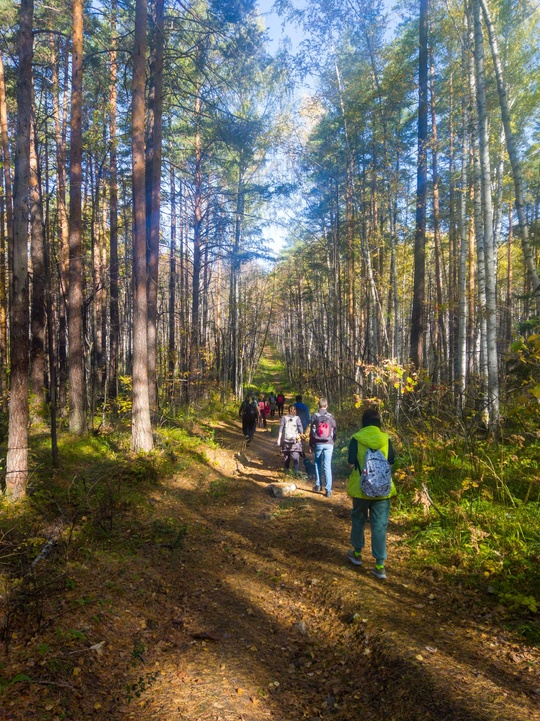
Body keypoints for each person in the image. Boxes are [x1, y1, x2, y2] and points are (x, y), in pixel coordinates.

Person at [346, 407, 396, 580]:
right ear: (378, 422)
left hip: (361, 489)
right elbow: (391, 463)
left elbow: (351, 463)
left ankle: (357, 553)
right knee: (380, 525)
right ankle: (380, 565)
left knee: (358, 519)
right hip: (382, 489)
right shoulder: (386, 439)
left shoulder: (356, 438)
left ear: (364, 422)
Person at [309, 397, 337, 497]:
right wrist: (333, 441)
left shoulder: (315, 416)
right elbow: (335, 431)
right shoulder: (331, 417)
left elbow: (312, 432)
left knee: (317, 463)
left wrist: (311, 444)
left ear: (318, 405)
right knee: (327, 465)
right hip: (329, 443)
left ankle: (318, 485)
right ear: (327, 405)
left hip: (318, 443)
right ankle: (328, 490)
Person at [277, 405, 304, 473]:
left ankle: (286, 471)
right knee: (296, 457)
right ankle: (296, 472)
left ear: (288, 410)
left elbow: (281, 429)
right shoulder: (297, 418)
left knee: (286, 456)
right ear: (295, 411)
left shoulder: (284, 418)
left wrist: (279, 439)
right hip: (295, 441)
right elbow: (301, 430)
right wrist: (301, 435)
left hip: (286, 441)